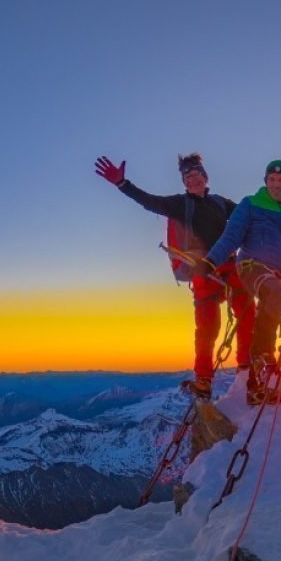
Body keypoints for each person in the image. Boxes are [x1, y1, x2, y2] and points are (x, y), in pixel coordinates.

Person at [94, 153, 255, 398]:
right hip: (202, 269)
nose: (192, 179)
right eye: (187, 176)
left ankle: (247, 368)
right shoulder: (181, 204)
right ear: (184, 182)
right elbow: (150, 202)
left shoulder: (220, 203)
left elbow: (246, 215)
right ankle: (203, 379)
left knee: (247, 313)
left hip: (229, 265)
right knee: (207, 327)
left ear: (205, 176)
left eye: (195, 174)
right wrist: (122, 184)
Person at [206, 160, 281, 404]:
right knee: (273, 291)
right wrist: (212, 260)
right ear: (266, 182)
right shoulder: (250, 204)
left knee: (273, 305)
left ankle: (258, 381)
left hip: (278, 274)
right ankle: (263, 357)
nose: (276, 185)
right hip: (250, 267)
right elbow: (231, 236)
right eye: (272, 180)